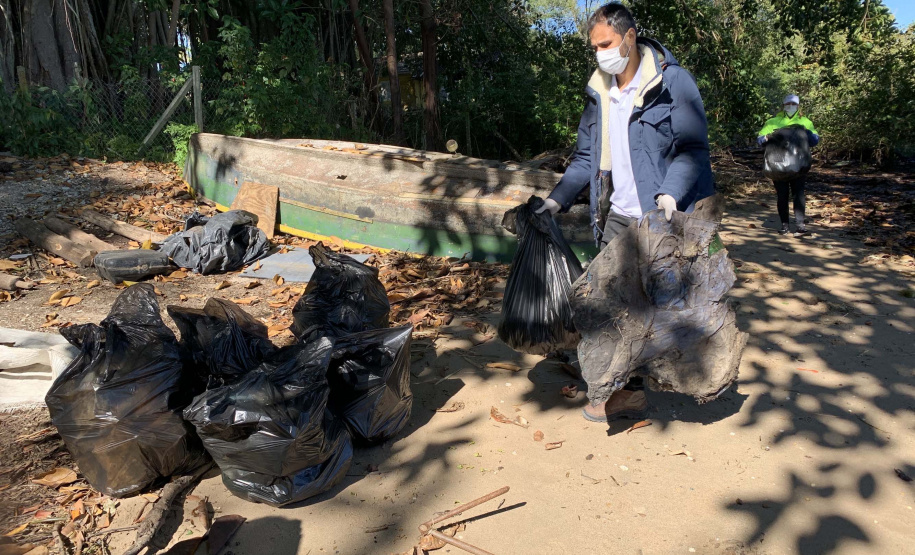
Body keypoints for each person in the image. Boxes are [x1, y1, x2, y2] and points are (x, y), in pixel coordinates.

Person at [535, 2, 715, 423]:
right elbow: (585, 158)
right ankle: (624, 390)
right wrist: (556, 199)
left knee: (656, 306)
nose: (601, 53)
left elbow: (693, 149)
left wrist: (671, 194)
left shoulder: (673, 83)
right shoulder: (601, 92)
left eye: (607, 43)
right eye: (594, 46)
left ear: (630, 37)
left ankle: (645, 383)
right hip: (616, 215)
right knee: (610, 304)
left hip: (663, 216)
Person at [757, 94, 820, 237]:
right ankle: (785, 225)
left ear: (798, 106)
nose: (790, 106)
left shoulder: (805, 122)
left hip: (799, 165)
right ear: (783, 105)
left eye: (793, 104)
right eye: (788, 104)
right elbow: (760, 139)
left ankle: (800, 225)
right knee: (782, 195)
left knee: (798, 194)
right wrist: (765, 137)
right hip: (778, 164)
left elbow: (815, 140)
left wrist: (807, 132)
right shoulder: (772, 122)